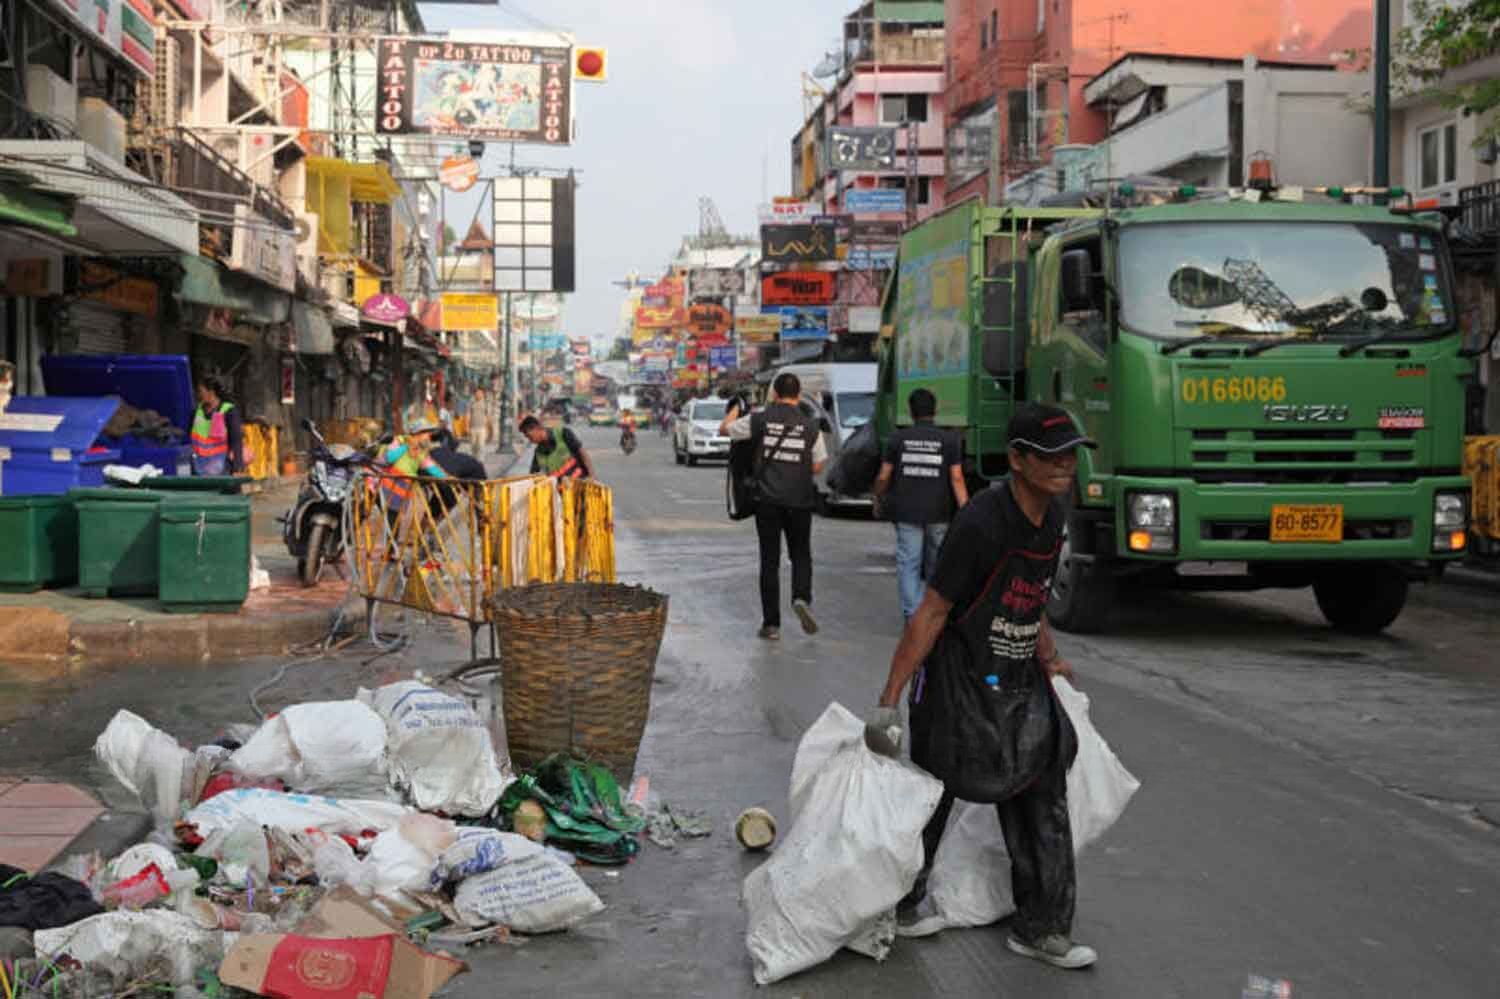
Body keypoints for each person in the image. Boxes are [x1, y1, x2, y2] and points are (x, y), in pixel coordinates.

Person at [866, 402, 1098, 970]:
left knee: (1041, 784)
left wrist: (1051, 656)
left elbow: (1033, 590)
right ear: (1017, 460)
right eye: (1050, 456)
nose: (1065, 465)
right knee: (940, 785)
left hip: (1017, 674)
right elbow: (933, 610)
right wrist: (890, 699)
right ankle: (903, 900)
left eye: (1070, 454)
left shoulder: (1054, 514)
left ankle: (1042, 926)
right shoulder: (981, 523)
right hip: (958, 676)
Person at [719, 372, 827, 640]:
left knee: (770, 561)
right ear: (798, 394)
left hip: (767, 500)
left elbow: (725, 429)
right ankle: (801, 597)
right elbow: (817, 464)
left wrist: (735, 407)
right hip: (800, 500)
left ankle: (772, 625)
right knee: (801, 554)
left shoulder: (760, 419)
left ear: (775, 394)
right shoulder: (810, 425)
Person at [873, 388, 969, 622]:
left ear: (910, 412)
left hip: (906, 512)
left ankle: (913, 615)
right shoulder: (949, 440)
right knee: (938, 565)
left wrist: (878, 495)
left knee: (909, 563)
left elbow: (885, 475)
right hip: (939, 513)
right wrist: (966, 510)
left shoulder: (898, 439)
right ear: (935, 411)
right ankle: (934, 616)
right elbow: (956, 478)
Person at [191, 374, 246, 476]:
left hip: (222, 466)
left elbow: (236, 439)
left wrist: (238, 464)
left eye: (201, 391)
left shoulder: (228, 411)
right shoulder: (196, 411)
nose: (198, 394)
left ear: (211, 392)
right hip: (199, 466)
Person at [521, 414, 594, 479]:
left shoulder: (564, 434)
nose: (530, 440)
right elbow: (532, 475)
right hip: (562, 492)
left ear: (537, 428)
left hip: (580, 485)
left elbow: (583, 455)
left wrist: (592, 477)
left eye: (529, 436)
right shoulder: (538, 452)